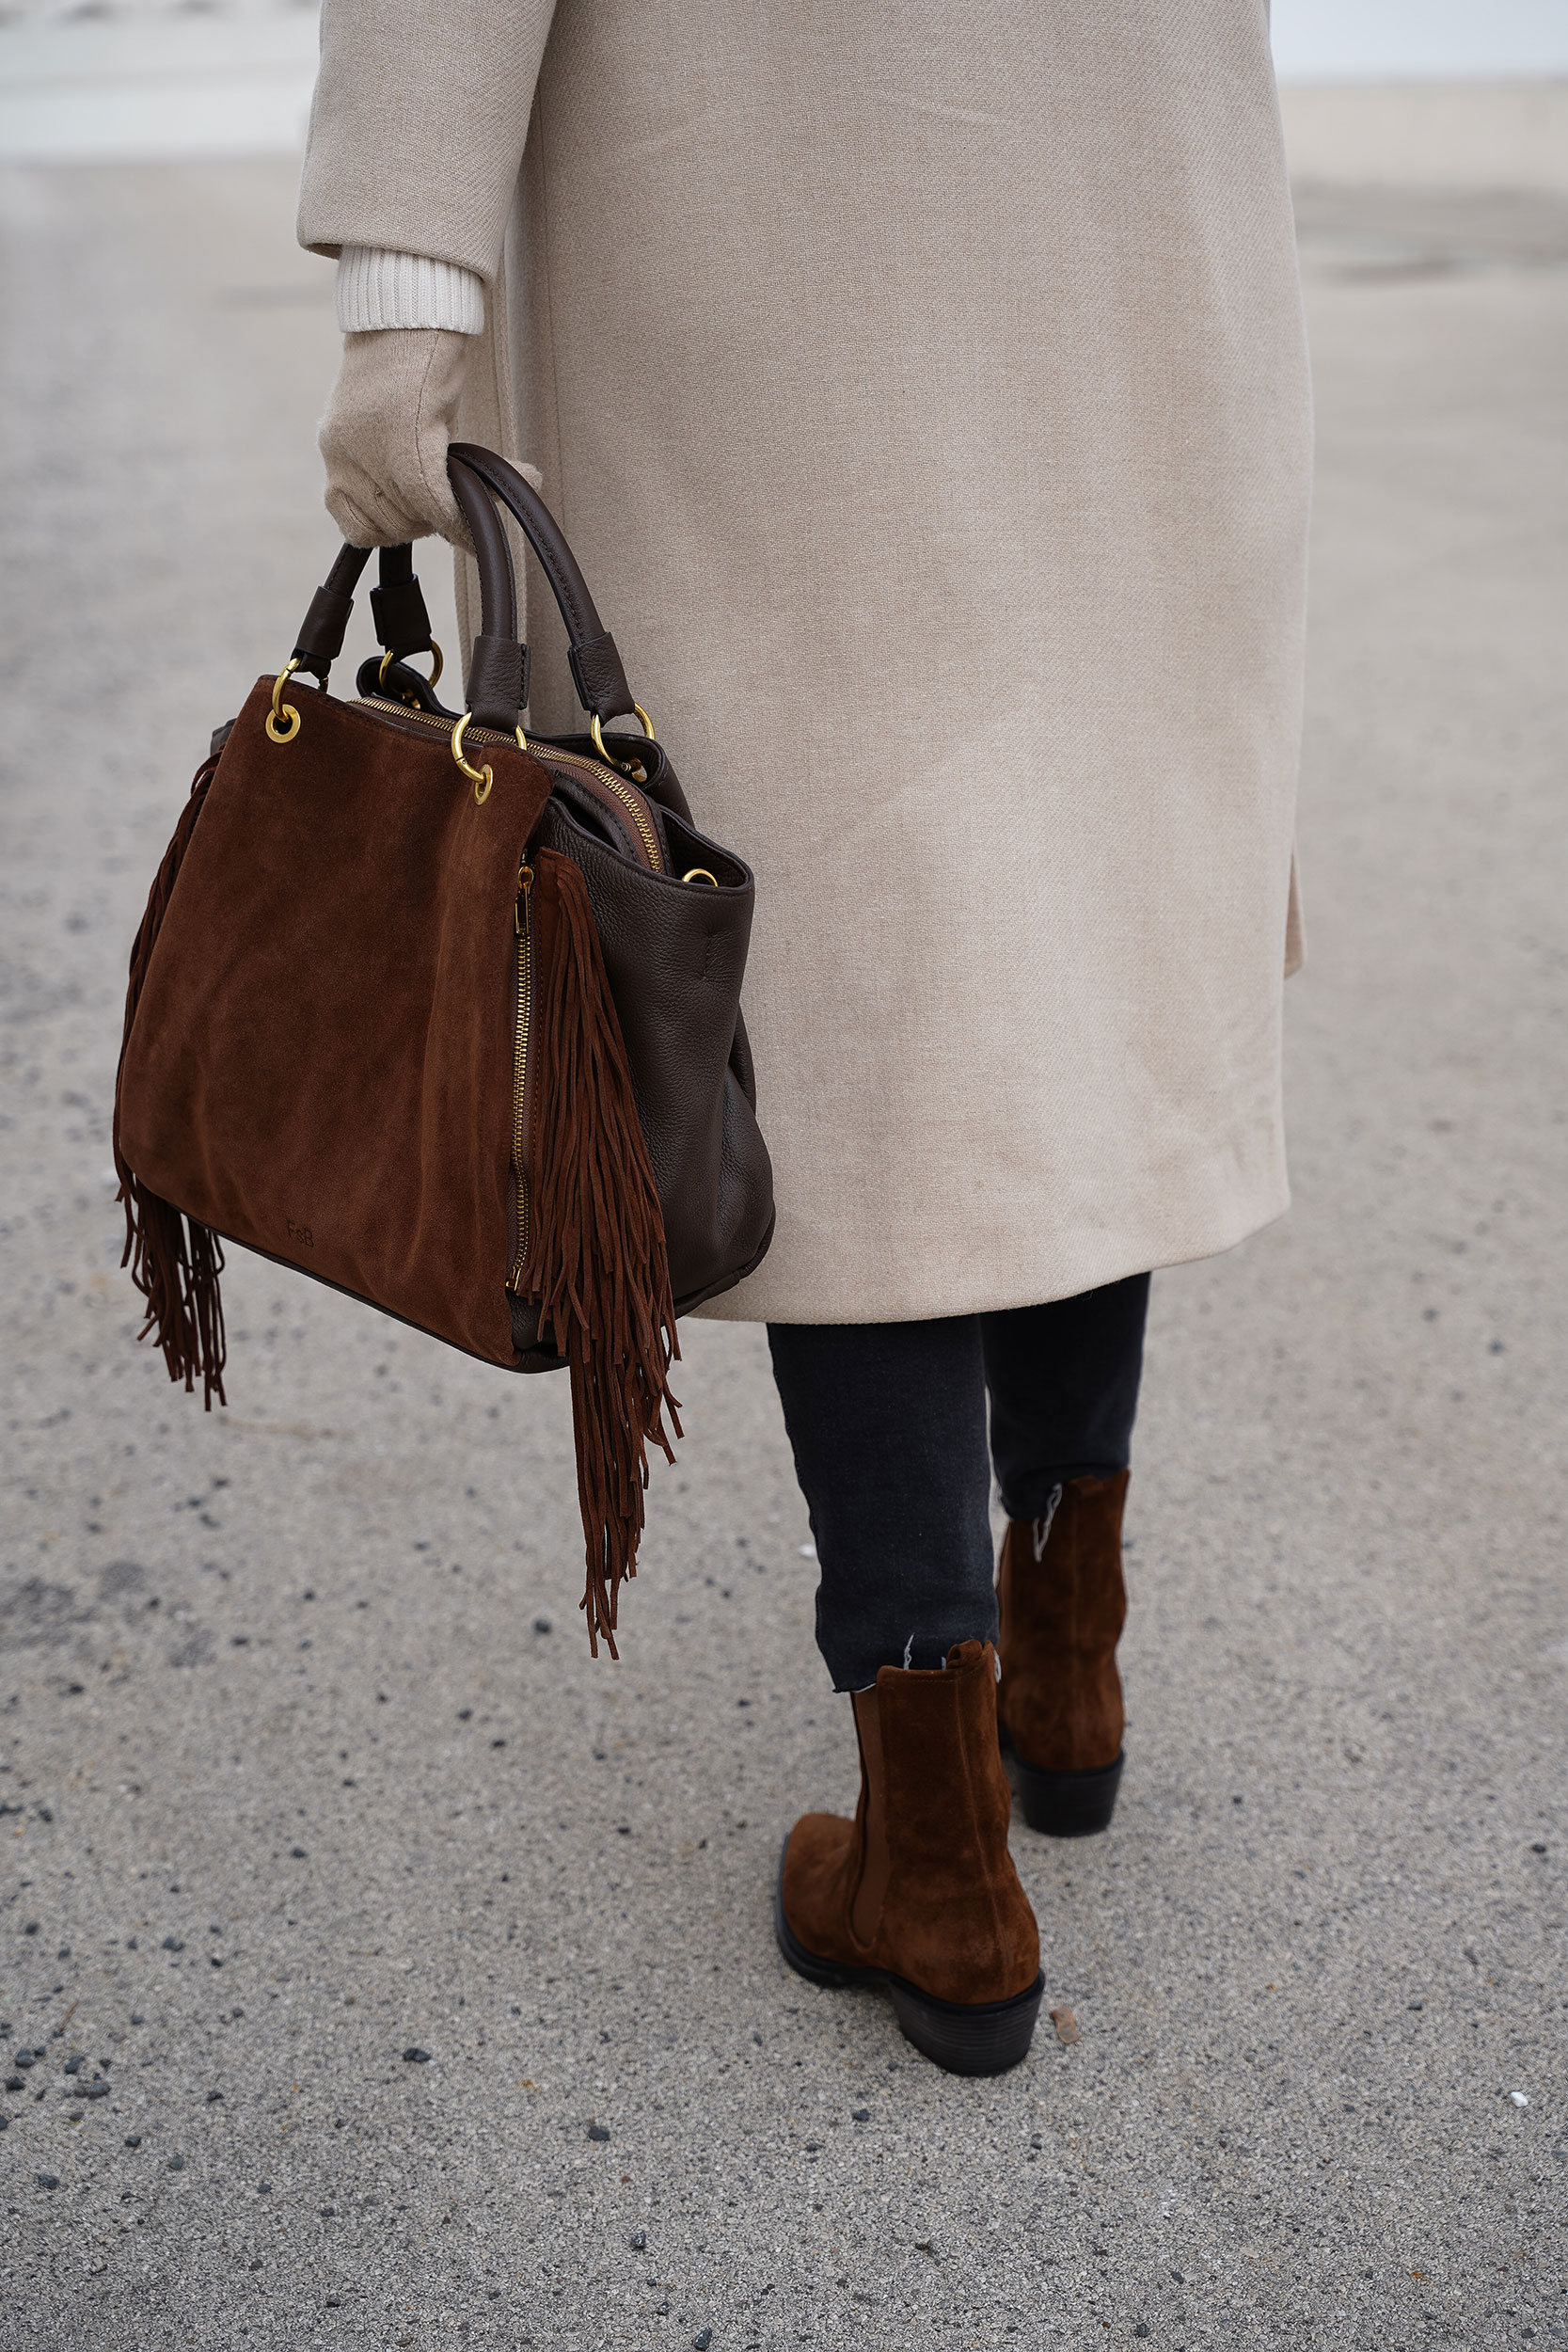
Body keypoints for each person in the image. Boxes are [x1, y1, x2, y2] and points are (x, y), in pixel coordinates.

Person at [299, 1, 1310, 2076]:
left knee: (851, 995)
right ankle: (1065, 1674)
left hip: (781, 227)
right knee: (1049, 945)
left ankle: (938, 1843)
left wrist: (410, 288)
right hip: (1144, 242)